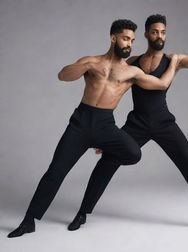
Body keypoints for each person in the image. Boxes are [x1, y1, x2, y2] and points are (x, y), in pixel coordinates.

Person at [68, 14, 188, 234]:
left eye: (163, 32)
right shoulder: (132, 62)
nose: (160, 36)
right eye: (155, 32)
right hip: (137, 123)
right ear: (146, 34)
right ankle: (82, 212)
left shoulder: (174, 60)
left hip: (164, 123)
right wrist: (107, 134)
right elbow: (113, 91)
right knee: (108, 161)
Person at [7, 19, 179, 238]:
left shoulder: (131, 72)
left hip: (106, 125)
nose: (129, 44)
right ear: (113, 38)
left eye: (132, 41)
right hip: (81, 122)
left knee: (134, 153)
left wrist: (174, 62)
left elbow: (162, 84)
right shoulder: (91, 61)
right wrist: (85, 66)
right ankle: (28, 221)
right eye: (126, 38)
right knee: (55, 172)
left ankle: (103, 150)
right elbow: (63, 76)